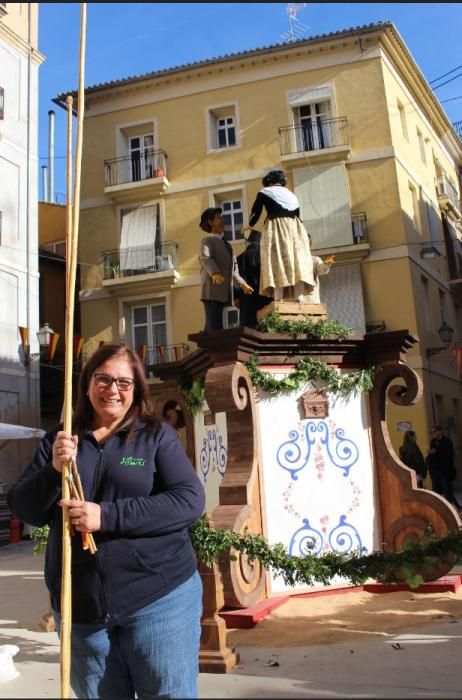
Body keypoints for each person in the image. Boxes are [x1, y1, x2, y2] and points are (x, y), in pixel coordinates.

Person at [7, 343, 206, 699]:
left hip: (158, 597)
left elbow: (189, 500)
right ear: (86, 384)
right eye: (103, 379)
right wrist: (53, 471)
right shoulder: (60, 439)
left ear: (136, 390)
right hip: (80, 606)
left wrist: (105, 515)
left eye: (123, 383)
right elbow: (25, 508)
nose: (112, 389)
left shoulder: (154, 436)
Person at [242, 169, 315, 302]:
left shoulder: (265, 192)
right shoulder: (292, 195)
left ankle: (278, 298)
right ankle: (299, 297)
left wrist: (249, 225)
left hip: (276, 227)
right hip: (295, 228)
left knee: (276, 260)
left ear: (269, 181)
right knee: (296, 260)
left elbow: (256, 212)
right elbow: (297, 214)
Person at [199, 207, 253, 331]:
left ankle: (207, 343)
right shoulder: (207, 241)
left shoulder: (227, 245)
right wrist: (215, 272)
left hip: (223, 291)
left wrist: (242, 284)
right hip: (211, 290)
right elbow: (205, 258)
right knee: (214, 324)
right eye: (218, 217)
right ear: (210, 222)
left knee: (214, 323)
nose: (222, 220)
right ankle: (212, 345)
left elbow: (233, 270)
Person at [236, 228, 273, 327]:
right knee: (266, 326)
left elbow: (235, 277)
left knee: (249, 329)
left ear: (249, 243)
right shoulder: (266, 255)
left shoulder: (239, 258)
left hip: (246, 298)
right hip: (264, 296)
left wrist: (236, 297)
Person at [427, 424, 461, 510]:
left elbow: (449, 455)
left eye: (434, 431)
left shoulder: (446, 441)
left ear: (440, 431)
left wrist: (436, 452)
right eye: (431, 432)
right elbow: (432, 455)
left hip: (444, 470)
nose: (432, 433)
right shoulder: (433, 442)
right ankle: (442, 508)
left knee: (447, 490)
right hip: (434, 470)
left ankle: (452, 508)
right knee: (437, 490)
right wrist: (430, 454)